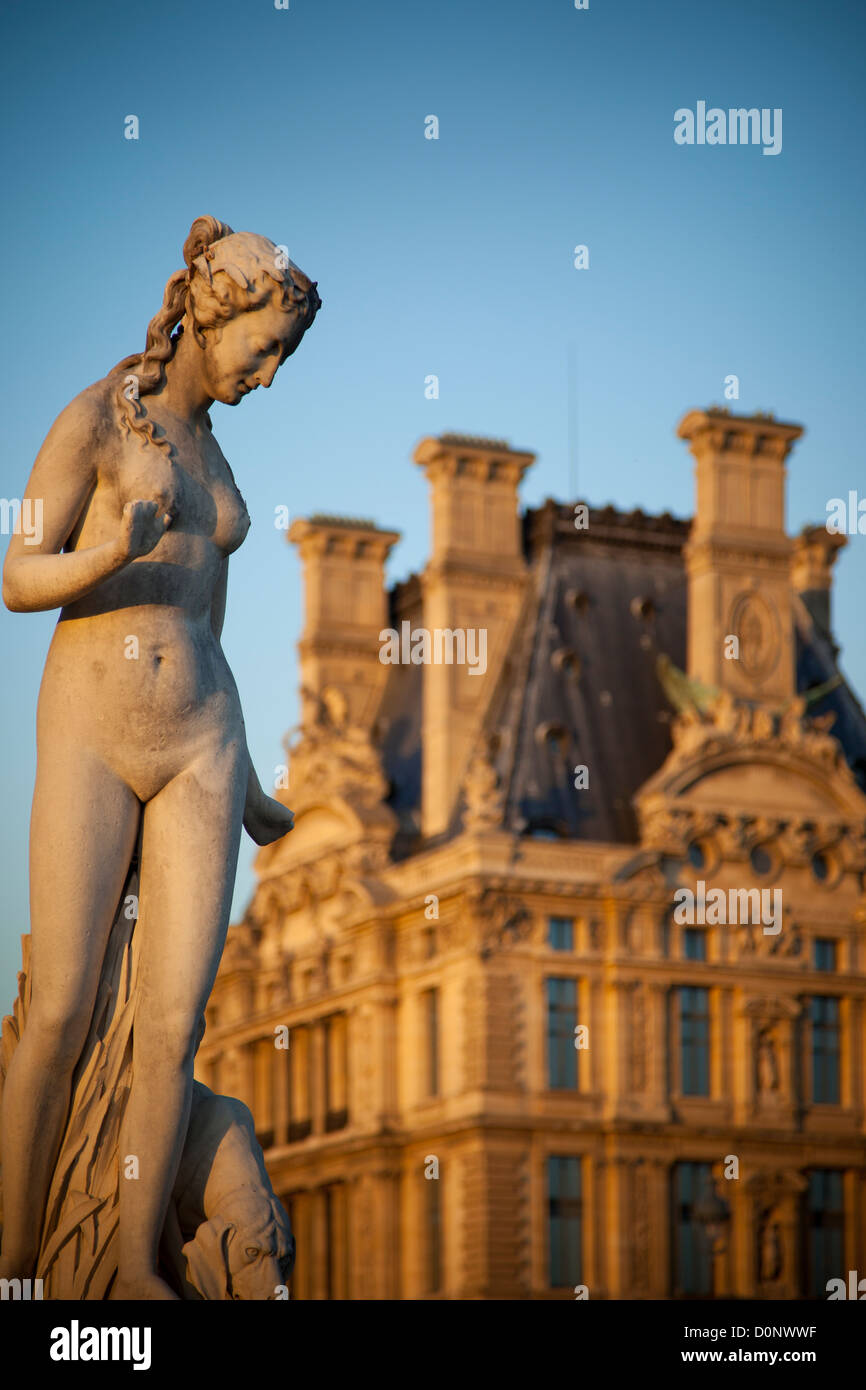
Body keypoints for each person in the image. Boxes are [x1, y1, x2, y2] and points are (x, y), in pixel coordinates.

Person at [0, 216, 320, 1299]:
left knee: (169, 1028)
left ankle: (134, 1261)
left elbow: (208, 623)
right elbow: (16, 576)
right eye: (263, 349)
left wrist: (257, 791)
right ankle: (11, 1264)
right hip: (91, 732)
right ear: (210, 312)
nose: (267, 377)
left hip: (202, 745)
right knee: (61, 1007)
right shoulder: (99, 416)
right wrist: (109, 550)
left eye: (282, 358)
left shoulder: (217, 456)